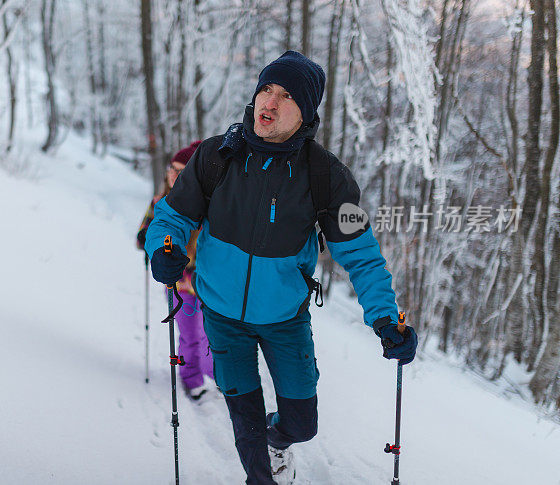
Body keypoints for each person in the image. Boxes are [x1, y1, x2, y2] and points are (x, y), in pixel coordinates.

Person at [143, 51, 417, 484]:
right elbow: (171, 216)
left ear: (306, 111)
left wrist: (385, 318)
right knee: (245, 424)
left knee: (302, 425)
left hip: (285, 319)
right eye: (266, 89)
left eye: (286, 95)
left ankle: (279, 442)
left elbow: (361, 255)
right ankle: (262, 472)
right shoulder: (217, 156)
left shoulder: (327, 178)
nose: (268, 102)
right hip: (221, 313)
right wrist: (164, 248)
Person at [137, 141, 215, 400]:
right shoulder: (159, 201)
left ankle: (216, 376)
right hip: (179, 286)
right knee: (189, 336)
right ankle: (191, 379)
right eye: (172, 168)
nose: (173, 174)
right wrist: (146, 238)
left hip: (205, 284)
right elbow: (147, 234)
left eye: (182, 171)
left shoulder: (206, 206)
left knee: (209, 337)